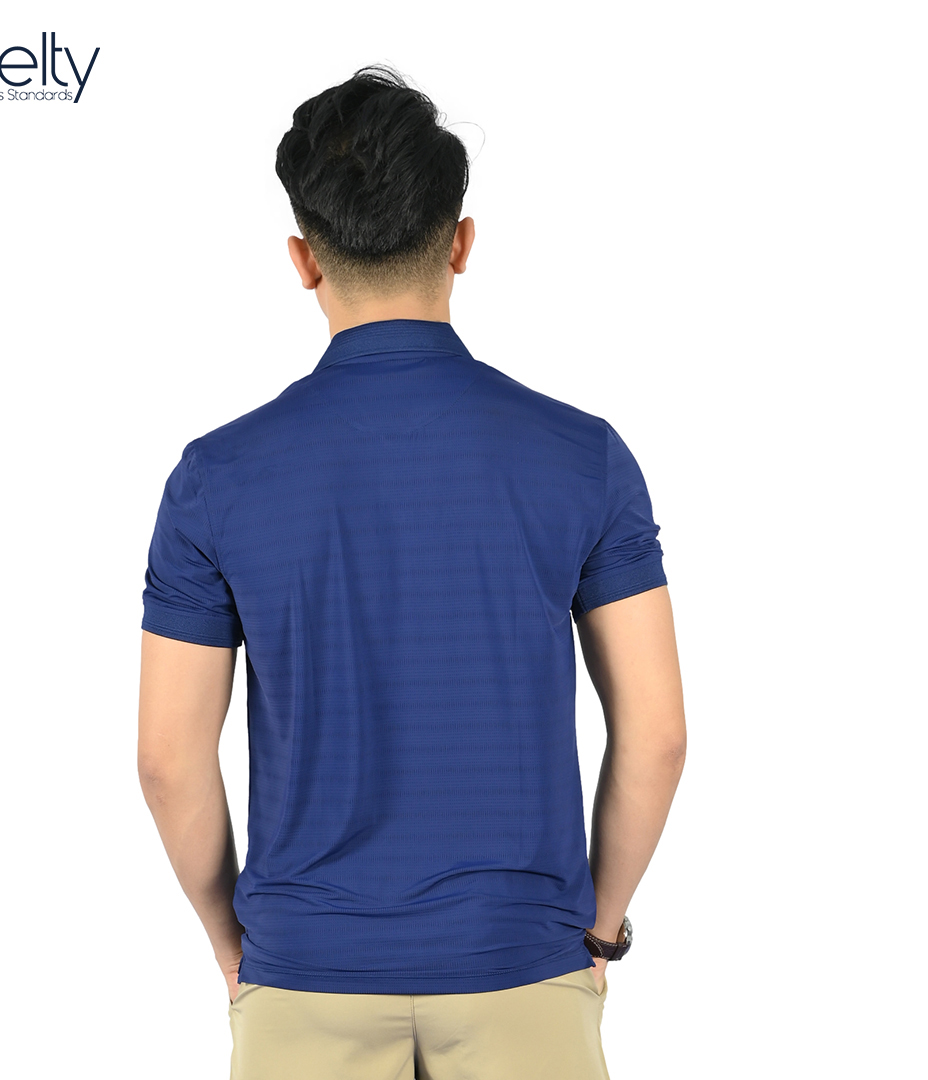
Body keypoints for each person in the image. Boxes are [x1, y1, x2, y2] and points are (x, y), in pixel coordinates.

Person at [137, 65, 686, 1080]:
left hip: (306, 978)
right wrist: (598, 932)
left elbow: (168, 759)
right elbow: (656, 735)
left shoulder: (216, 479)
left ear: (304, 259)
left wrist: (234, 946)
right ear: (462, 242)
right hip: (521, 969)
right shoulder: (584, 458)